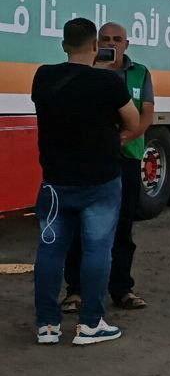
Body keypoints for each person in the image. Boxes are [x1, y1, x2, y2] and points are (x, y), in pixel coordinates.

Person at [32, 18, 141, 346]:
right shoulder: (109, 83)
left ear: (64, 45)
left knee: (50, 251)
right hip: (100, 183)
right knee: (97, 250)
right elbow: (134, 121)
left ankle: (47, 326)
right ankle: (91, 324)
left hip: (54, 183)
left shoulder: (43, 76)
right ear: (96, 46)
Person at [62, 22, 154, 315]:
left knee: (122, 228)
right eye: (105, 39)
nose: (111, 44)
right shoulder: (86, 72)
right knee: (80, 229)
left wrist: (126, 136)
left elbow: (147, 113)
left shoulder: (140, 73)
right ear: (94, 43)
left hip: (126, 158)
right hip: (92, 161)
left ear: (127, 44)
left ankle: (122, 289)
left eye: (117, 39)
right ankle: (75, 291)